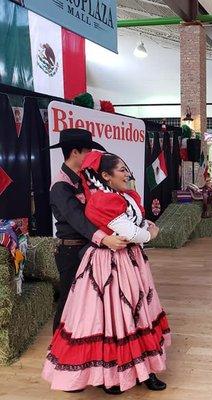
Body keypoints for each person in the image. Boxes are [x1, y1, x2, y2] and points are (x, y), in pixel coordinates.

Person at [42, 151, 170, 394]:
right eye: (121, 169)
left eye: (125, 168)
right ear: (105, 175)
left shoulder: (119, 195)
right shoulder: (95, 197)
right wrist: (149, 233)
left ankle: (144, 370)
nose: (127, 174)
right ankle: (109, 374)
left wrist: (143, 228)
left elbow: (136, 224)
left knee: (137, 313)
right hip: (106, 262)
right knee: (109, 318)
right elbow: (129, 232)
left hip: (128, 261)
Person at [47, 129, 128, 334]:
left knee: (90, 302)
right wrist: (105, 240)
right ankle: (57, 348)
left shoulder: (86, 179)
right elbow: (78, 220)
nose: (91, 156)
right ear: (75, 152)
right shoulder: (61, 185)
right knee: (68, 301)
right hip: (72, 252)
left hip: (89, 248)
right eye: (88, 151)